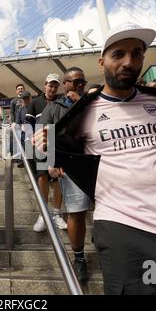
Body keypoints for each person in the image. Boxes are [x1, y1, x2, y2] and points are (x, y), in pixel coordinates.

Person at [34, 23, 156, 294]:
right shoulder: (83, 113)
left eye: (136, 54)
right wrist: (47, 143)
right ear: (102, 62)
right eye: (118, 54)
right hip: (124, 230)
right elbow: (59, 141)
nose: (128, 61)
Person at [39, 67, 91, 283]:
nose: (79, 84)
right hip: (71, 165)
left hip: (98, 163)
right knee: (77, 213)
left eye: (82, 81)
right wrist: (52, 162)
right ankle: (79, 257)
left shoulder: (92, 102)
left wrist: (82, 101)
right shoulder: (52, 107)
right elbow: (44, 136)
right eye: (74, 81)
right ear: (66, 84)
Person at [26, 73, 65, 233]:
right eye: (50, 85)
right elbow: (28, 125)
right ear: (45, 85)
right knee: (42, 176)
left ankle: (56, 213)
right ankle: (43, 214)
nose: (53, 88)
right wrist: (31, 143)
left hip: (59, 144)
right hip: (41, 144)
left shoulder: (62, 102)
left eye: (56, 85)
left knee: (58, 178)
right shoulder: (35, 102)